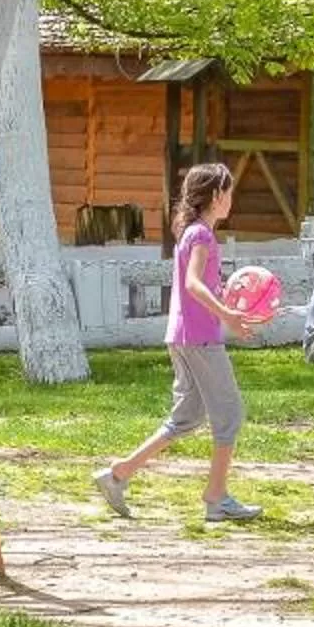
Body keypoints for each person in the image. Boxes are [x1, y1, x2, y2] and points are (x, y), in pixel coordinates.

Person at [95, 162, 266, 523]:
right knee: (229, 415)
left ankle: (117, 475)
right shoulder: (201, 235)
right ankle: (216, 498)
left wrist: (230, 306)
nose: (231, 199)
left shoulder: (190, 233)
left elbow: (198, 285)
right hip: (200, 340)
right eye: (230, 191)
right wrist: (227, 315)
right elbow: (192, 284)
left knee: (186, 418)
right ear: (216, 195)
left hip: (183, 337)